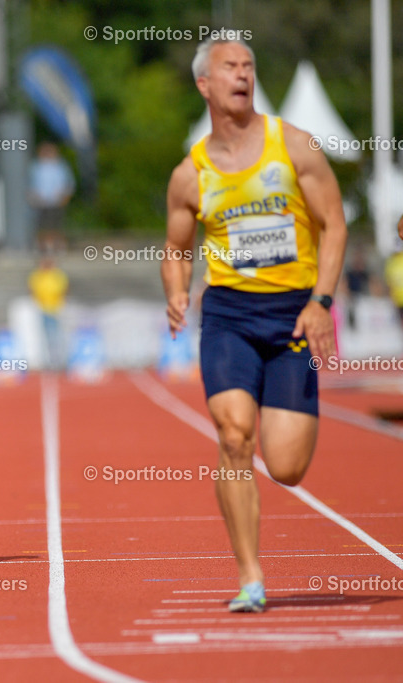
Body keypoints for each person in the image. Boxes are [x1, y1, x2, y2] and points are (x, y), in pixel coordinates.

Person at [162, 39, 346, 613]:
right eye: (230, 68)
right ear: (205, 85)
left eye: (249, 67)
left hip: (294, 315)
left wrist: (321, 301)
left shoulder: (294, 146)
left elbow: (335, 225)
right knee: (234, 436)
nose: (242, 75)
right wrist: (175, 291)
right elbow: (175, 246)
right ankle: (250, 578)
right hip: (229, 318)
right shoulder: (190, 174)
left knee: (287, 467)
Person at [29, 142, 75, 252]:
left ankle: (57, 246)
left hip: (57, 201)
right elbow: (30, 183)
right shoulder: (35, 167)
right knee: (41, 225)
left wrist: (65, 196)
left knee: (56, 224)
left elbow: (69, 183)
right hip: (41, 202)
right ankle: (43, 247)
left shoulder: (61, 166)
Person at [28, 254, 68, 370]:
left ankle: (57, 360)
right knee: (44, 337)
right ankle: (47, 360)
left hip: (56, 309)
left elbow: (63, 289)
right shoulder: (38, 275)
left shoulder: (57, 275)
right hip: (43, 309)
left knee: (55, 336)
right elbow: (33, 289)